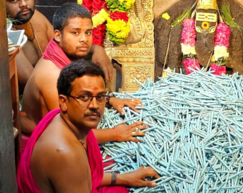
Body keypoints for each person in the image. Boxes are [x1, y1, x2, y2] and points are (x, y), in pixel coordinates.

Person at [17, 60, 159, 193]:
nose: (94, 106)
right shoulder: (65, 153)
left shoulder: (66, 121)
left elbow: (82, 178)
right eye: (84, 97)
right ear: (64, 101)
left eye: (100, 97)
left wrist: (122, 177)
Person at [21, 3, 144, 148]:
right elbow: (71, 131)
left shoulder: (63, 53)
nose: (84, 39)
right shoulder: (52, 74)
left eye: (88, 32)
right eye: (75, 33)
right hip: (42, 144)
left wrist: (109, 99)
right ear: (58, 35)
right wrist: (116, 133)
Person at [4, 0, 113, 93]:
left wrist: (97, 49)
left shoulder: (35, 17)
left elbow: (66, 41)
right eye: (14, 0)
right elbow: (32, 81)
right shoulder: (5, 36)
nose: (24, 4)